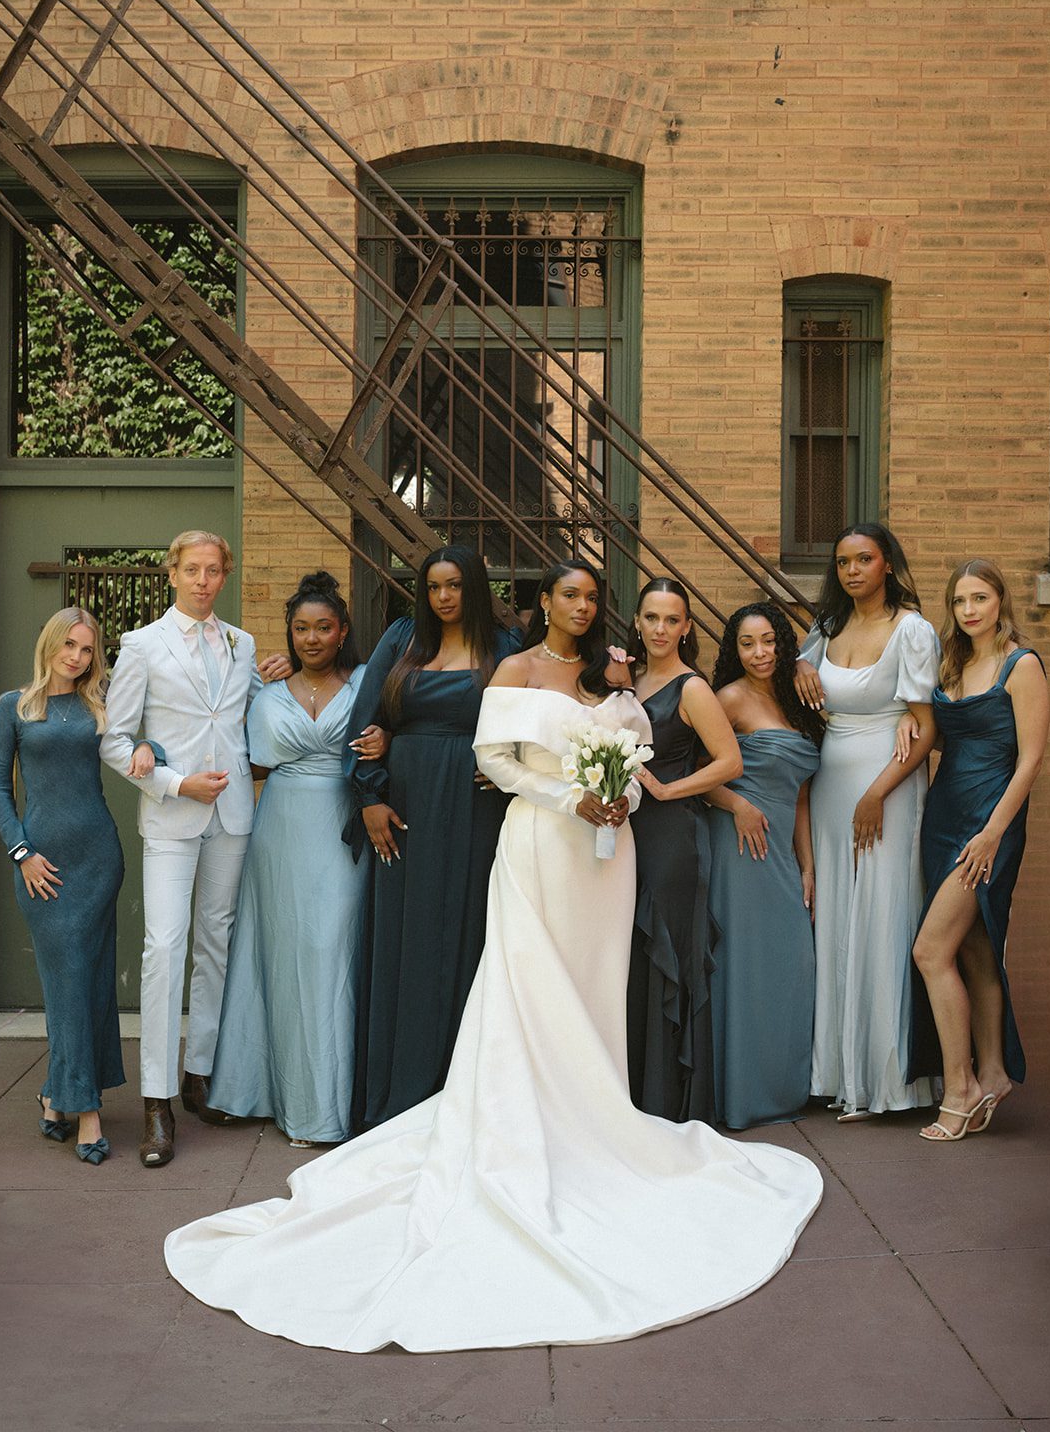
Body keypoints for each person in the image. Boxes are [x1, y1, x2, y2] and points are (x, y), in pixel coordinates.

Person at [164, 558, 822, 1353]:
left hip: (605, 860)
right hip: (539, 842)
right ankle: (521, 1128)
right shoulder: (514, 668)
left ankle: (594, 1120)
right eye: (568, 594)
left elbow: (641, 749)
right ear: (544, 601)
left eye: (591, 596)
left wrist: (621, 795)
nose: (581, 606)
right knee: (525, 984)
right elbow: (495, 760)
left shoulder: (611, 677)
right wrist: (565, 796)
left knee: (593, 989)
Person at [100, 529, 288, 1168]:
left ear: (224, 575)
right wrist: (176, 782)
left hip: (233, 817)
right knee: (164, 948)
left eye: (213, 570)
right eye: (192, 570)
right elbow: (115, 740)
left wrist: (283, 683)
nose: (203, 581)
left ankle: (200, 1074)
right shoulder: (142, 645)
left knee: (216, 943)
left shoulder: (242, 643)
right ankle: (156, 1101)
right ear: (172, 573)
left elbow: (252, 719)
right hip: (172, 815)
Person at [342, 544, 520, 1129]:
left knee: (470, 934)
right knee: (407, 935)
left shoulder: (505, 648)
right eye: (434, 586)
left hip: (477, 807)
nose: (443, 597)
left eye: (455, 585)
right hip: (405, 808)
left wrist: (512, 765)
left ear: (475, 589)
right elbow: (366, 722)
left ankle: (464, 1094)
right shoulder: (402, 640)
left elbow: (535, 720)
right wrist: (370, 798)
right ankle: (401, 1092)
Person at [207, 572, 371, 1146]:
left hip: (342, 824)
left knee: (331, 950)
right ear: (290, 633)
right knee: (279, 954)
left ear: (342, 630)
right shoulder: (267, 690)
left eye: (323, 627)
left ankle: (328, 1105)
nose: (312, 638)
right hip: (278, 830)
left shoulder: (367, 683)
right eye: (301, 629)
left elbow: (393, 735)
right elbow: (242, 758)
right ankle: (272, 1094)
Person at [796, 523, 939, 1120]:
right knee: (836, 917)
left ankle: (888, 1080)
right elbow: (797, 673)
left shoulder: (912, 629)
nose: (852, 570)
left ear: (887, 564)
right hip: (831, 790)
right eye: (842, 562)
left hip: (890, 786)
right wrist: (800, 669)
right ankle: (836, 1073)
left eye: (864, 559)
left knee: (883, 915)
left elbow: (925, 727)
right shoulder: (827, 628)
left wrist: (878, 793)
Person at [0, 609, 137, 1164]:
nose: (76, 657)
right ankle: (84, 1108)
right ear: (50, 643)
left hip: (98, 860)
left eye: (87, 648)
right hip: (41, 866)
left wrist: (153, 748)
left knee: (90, 982)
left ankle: (64, 1098)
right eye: (69, 645)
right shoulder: (15, 706)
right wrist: (21, 852)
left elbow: (134, 741)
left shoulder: (100, 703)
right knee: (68, 982)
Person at [910, 560, 1047, 1140]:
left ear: (1000, 602)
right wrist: (910, 723)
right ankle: (992, 1072)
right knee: (974, 948)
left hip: (991, 823)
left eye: (980, 598)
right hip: (943, 816)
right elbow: (946, 735)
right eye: (960, 600)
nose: (969, 610)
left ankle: (959, 1086)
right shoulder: (952, 662)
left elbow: (1031, 759)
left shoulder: (1022, 664)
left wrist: (992, 834)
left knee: (929, 950)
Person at [621, 576, 742, 1123]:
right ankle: (635, 1091)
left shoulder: (692, 688)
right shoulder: (628, 681)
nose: (660, 629)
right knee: (632, 953)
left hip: (673, 835)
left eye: (672, 620)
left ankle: (671, 1101)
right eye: (652, 617)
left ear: (687, 627)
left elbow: (729, 762)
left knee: (666, 950)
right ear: (637, 621)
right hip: (627, 832)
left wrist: (670, 790)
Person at [707, 602, 824, 1130]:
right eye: (747, 643)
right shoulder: (728, 699)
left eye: (769, 641)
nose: (759, 653)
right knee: (744, 964)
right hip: (740, 845)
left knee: (792, 960)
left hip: (781, 851)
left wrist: (807, 866)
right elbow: (695, 773)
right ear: (734, 650)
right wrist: (738, 805)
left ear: (783, 642)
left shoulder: (797, 700)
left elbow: (800, 794)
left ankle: (781, 1088)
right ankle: (740, 1094)